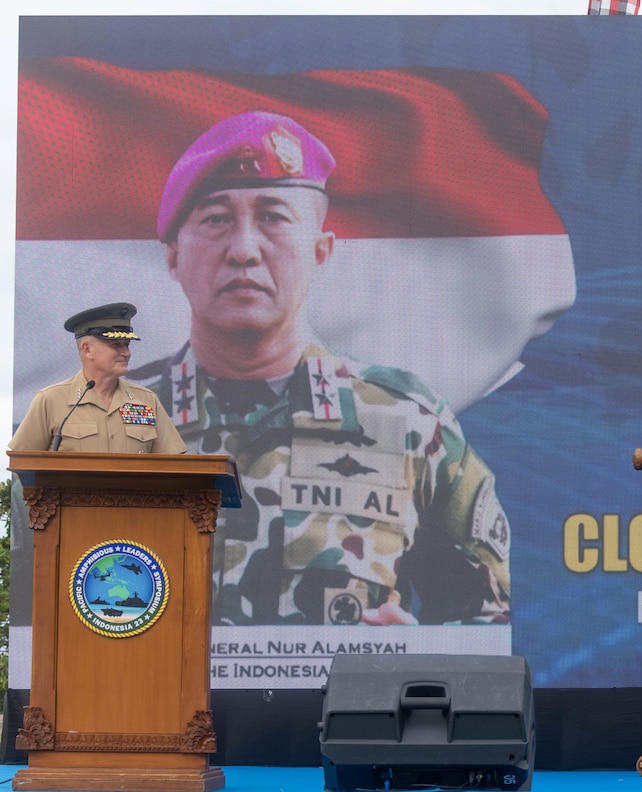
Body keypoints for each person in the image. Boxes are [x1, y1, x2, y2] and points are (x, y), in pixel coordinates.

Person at [131, 111, 511, 627]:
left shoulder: (407, 423)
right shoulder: (109, 430)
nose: (243, 250)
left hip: (346, 712)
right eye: (216, 218)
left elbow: (487, 617)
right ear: (173, 257)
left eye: (273, 217)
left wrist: (420, 658)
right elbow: (44, 620)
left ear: (320, 251)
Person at [11, 303, 187, 454]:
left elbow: (174, 464)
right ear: (87, 349)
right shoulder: (50, 400)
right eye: (116, 345)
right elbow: (23, 464)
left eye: (127, 345)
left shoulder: (147, 401)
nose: (126, 353)